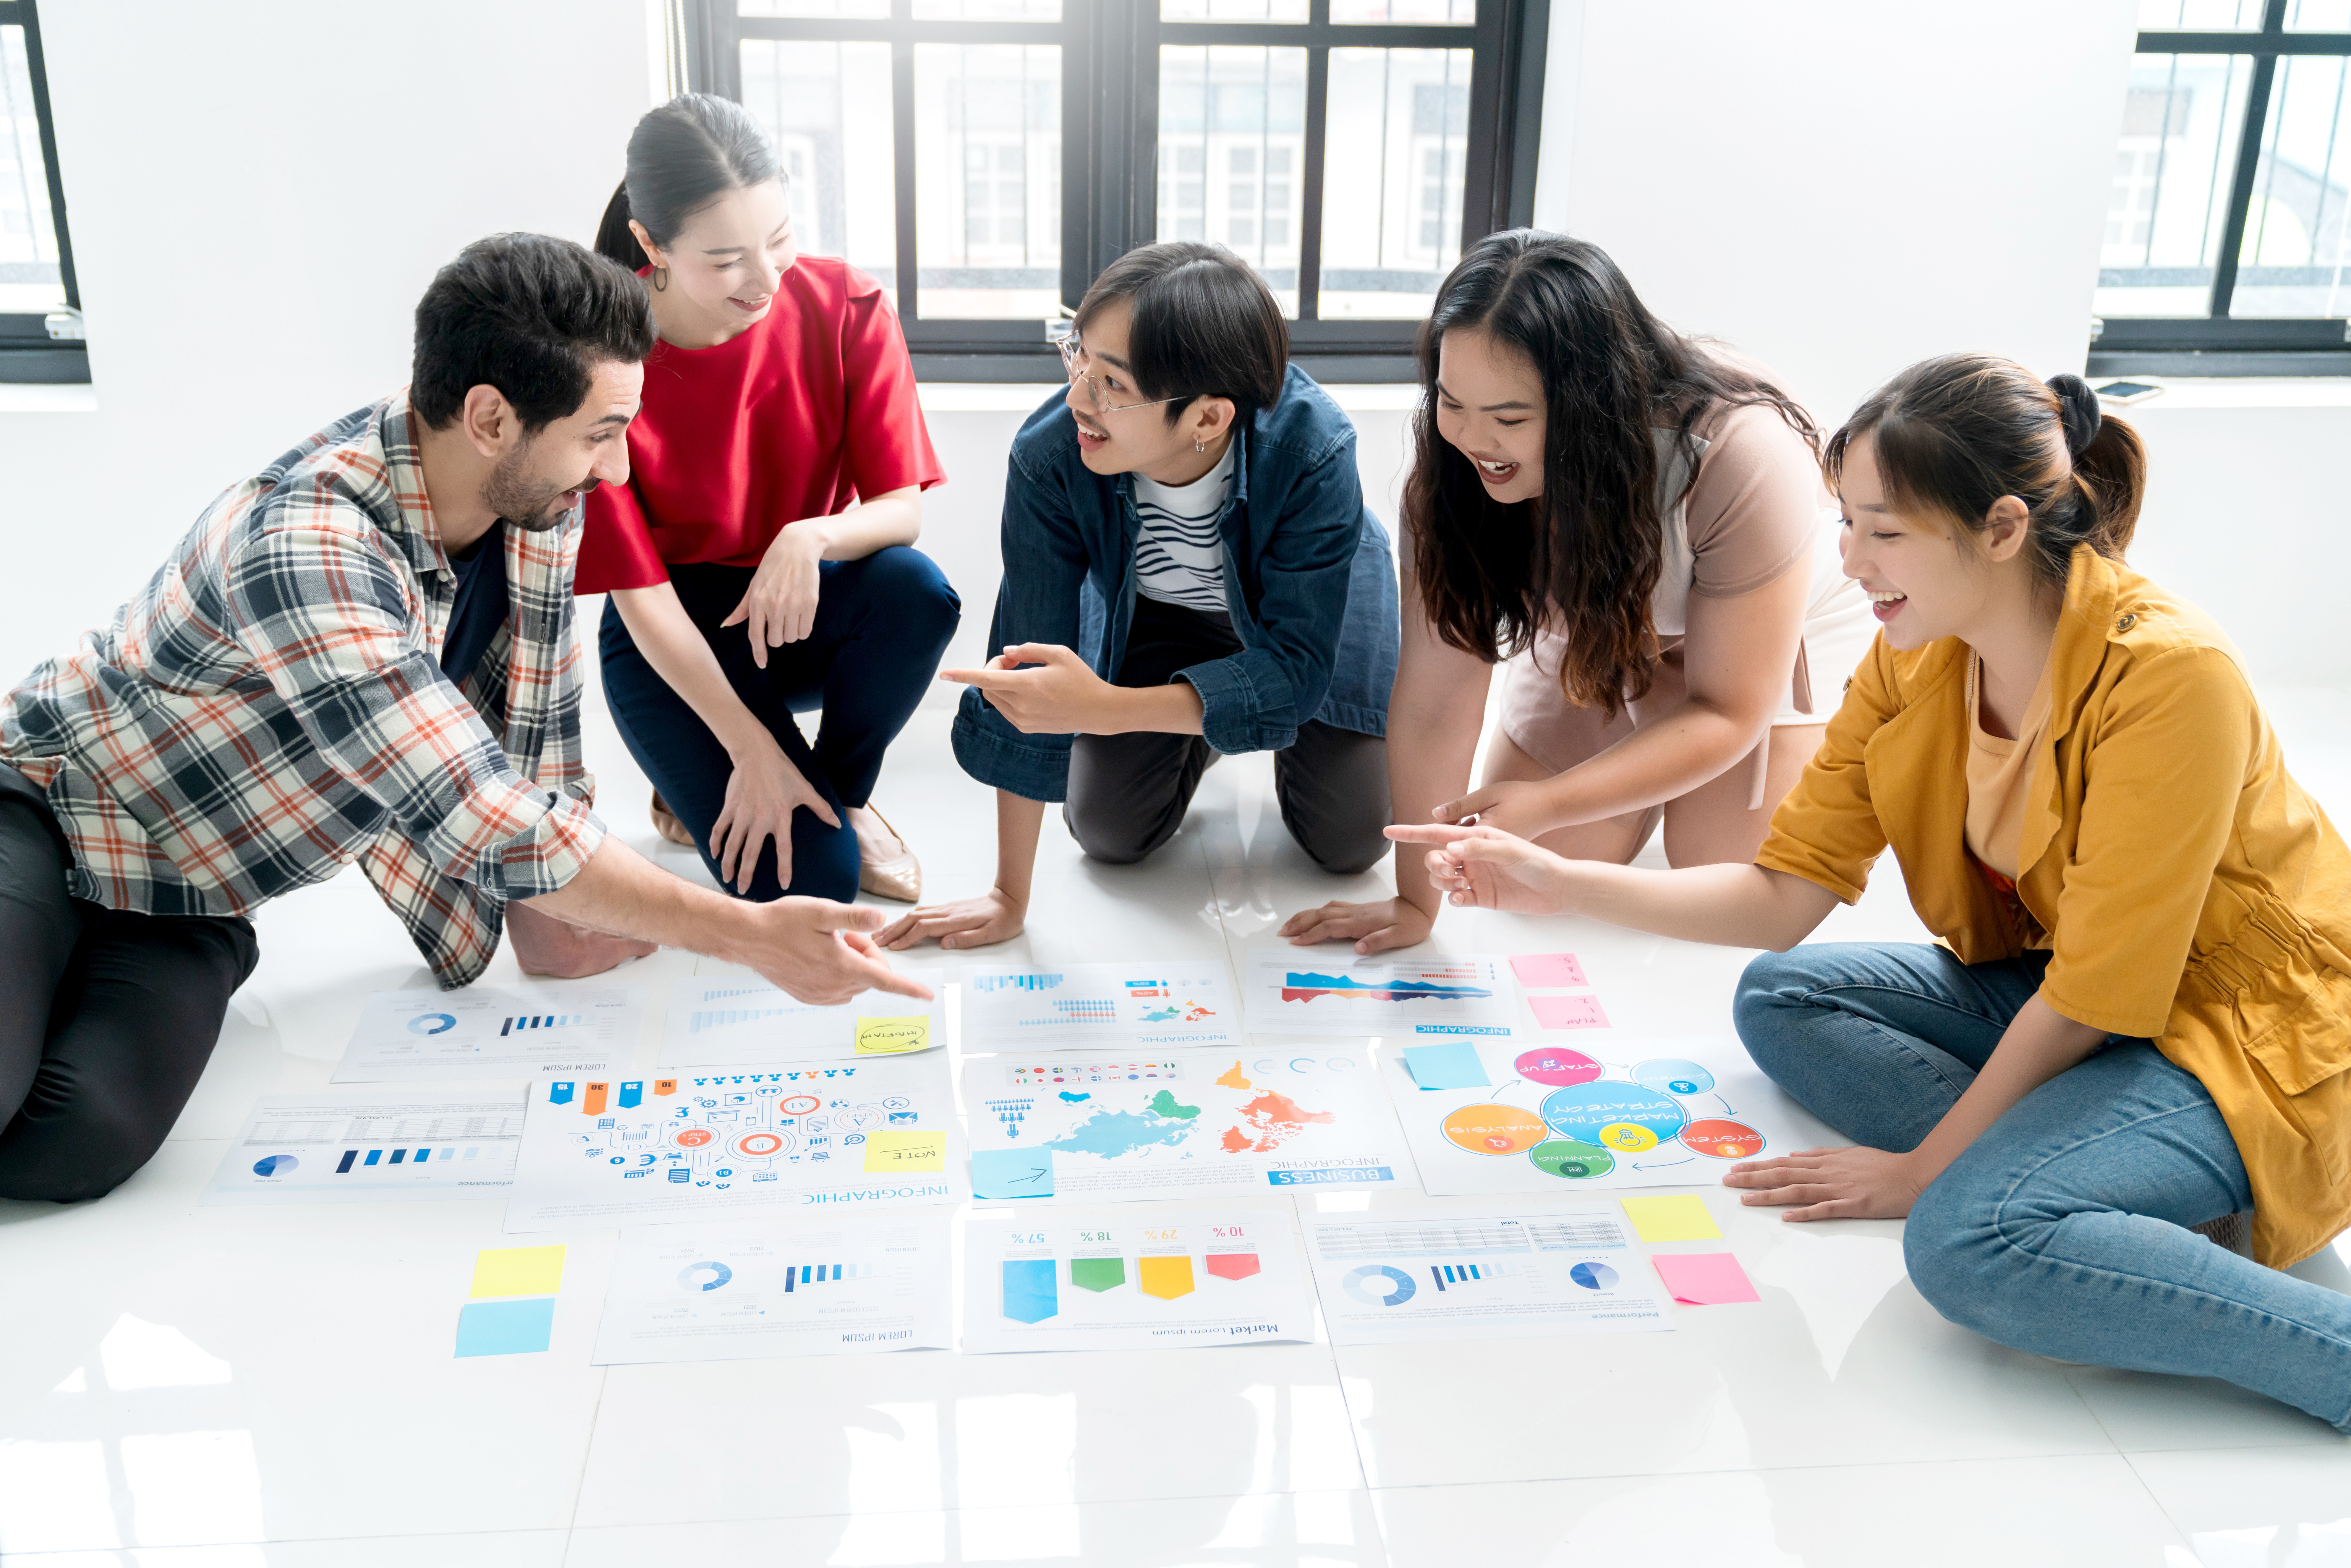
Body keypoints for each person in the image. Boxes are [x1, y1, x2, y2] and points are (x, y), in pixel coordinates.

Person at [1389, 355, 2351, 1429]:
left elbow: (2094, 994)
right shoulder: (1918, 657)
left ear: (1997, 529)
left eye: (1882, 531)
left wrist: (1924, 1169)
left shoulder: (2172, 676)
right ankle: (2106, 1178)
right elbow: (1781, 894)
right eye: (1845, 522)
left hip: (2252, 1025)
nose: (1849, 563)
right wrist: (1564, 878)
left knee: (1967, 1240)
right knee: (1783, 996)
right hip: (2081, 998)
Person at [0, 234, 927, 1205]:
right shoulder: (308, 542)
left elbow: (537, 729)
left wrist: (551, 913)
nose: (617, 472)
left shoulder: (533, 507)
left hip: (192, 889)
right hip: (47, 803)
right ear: (490, 417)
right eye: (601, 432)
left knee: (82, 1138)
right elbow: (471, 802)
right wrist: (747, 934)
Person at [1282, 230, 1874, 956]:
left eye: (1510, 419)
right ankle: (1626, 760)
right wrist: (1414, 900)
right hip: (1600, 623)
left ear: (1591, 406)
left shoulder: (1740, 457)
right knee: (1537, 881)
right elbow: (1435, 701)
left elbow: (1727, 708)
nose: (1473, 440)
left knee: (1718, 869)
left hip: (1757, 630)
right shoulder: (1450, 481)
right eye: (1451, 401)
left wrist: (1552, 799)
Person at [877, 241, 1399, 952]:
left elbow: (1297, 671)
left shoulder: (1313, 450)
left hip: (1301, 615)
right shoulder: (1052, 454)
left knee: (1351, 841)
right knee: (1108, 834)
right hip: (1161, 615)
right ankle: (1208, 723)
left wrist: (1108, 709)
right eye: (1078, 358)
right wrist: (1009, 895)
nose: (1078, 399)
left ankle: (1213, 717)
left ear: (1208, 420)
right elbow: (1029, 666)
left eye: (1112, 386)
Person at [584, 93, 956, 905]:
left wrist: (810, 537)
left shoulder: (844, 306)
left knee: (918, 594)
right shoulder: (601, 364)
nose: (765, 280)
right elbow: (642, 603)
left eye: (780, 240)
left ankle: (843, 798)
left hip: (796, 607)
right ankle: (711, 770)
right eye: (725, 261)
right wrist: (750, 752)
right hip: (670, 633)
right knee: (812, 887)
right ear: (652, 244)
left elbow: (901, 509)